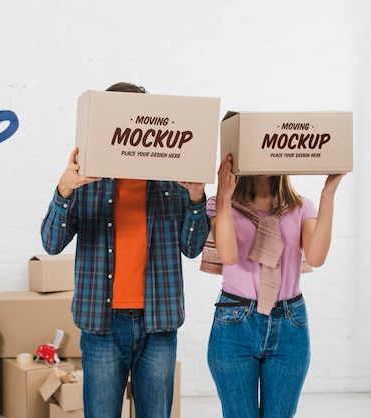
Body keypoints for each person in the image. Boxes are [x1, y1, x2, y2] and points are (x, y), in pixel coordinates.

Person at [40, 81, 211, 418]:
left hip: (157, 324)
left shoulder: (172, 180)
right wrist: (64, 190)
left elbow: (192, 248)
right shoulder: (86, 181)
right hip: (102, 324)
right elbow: (51, 243)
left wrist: (195, 198)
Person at [204, 152, 345, 418]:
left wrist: (328, 195)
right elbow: (229, 256)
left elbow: (315, 256)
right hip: (235, 324)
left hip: (289, 324)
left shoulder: (303, 207)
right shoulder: (219, 206)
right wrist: (224, 196)